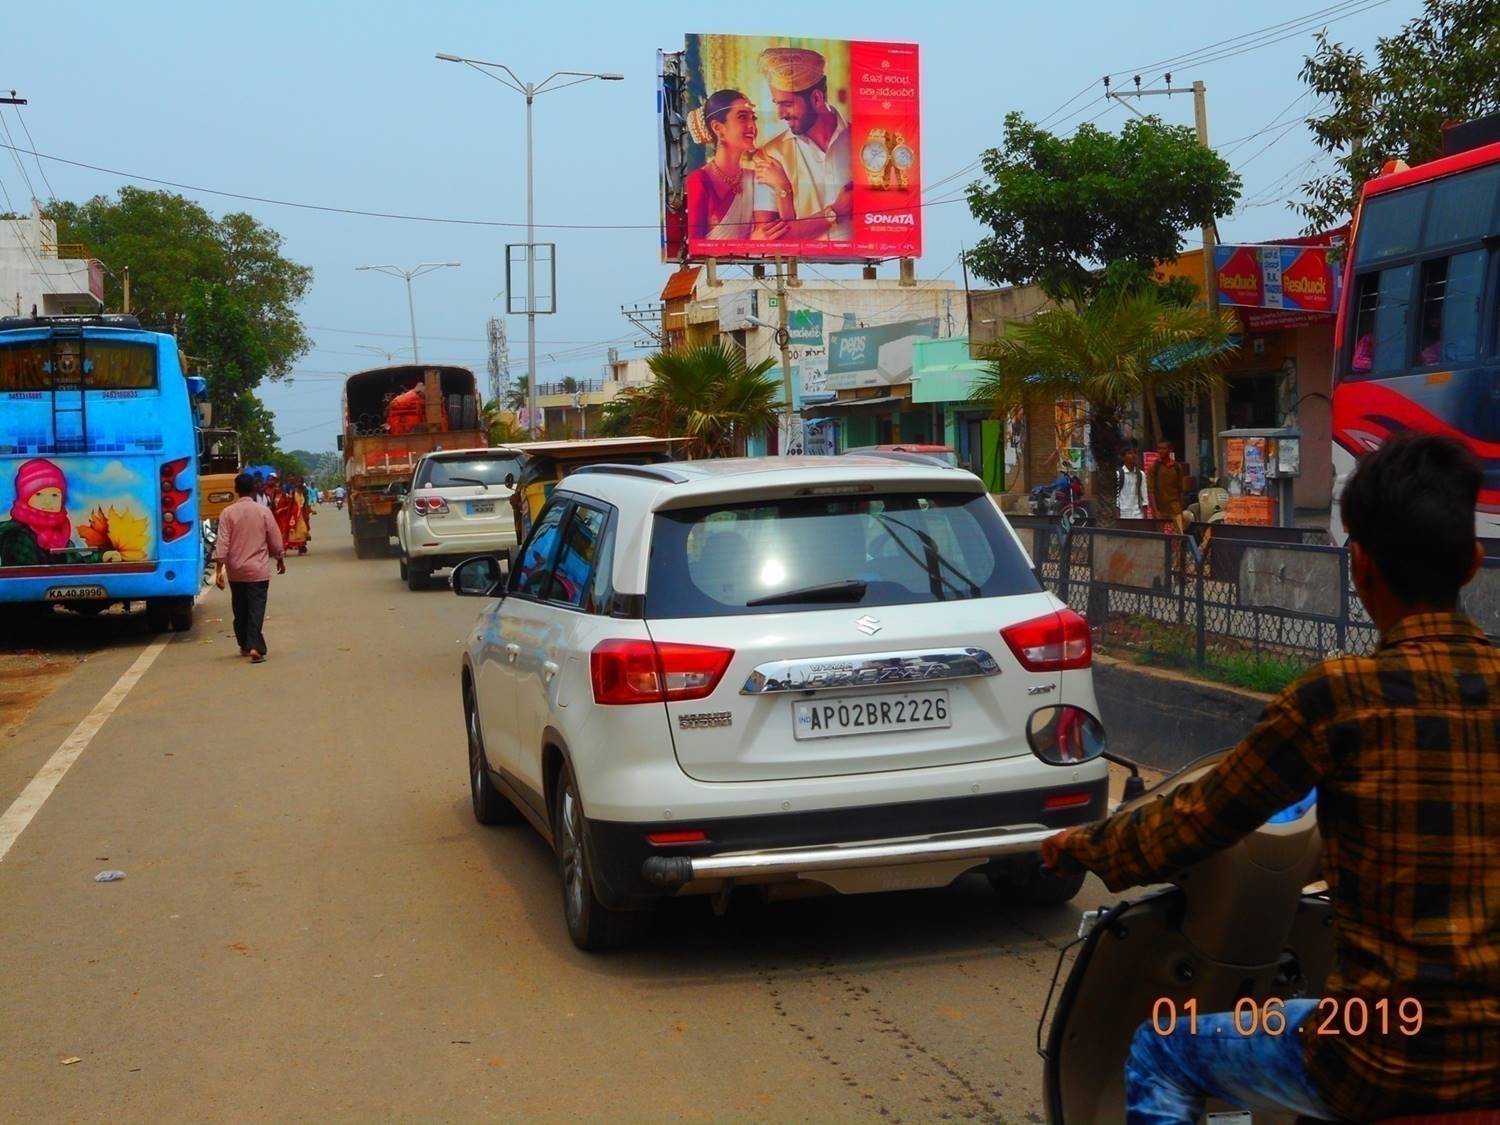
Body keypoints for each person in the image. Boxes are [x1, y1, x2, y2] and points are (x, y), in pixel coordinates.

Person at [1042, 434, 1500, 1121]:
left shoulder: (1338, 698)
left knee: (1162, 1049)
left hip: (1377, 1054)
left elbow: (1198, 817)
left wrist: (1084, 846)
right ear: (1470, 564)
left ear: (1360, 567)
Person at [757, 47, 853, 241]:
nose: (780, 115)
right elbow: (769, 239)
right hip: (801, 269)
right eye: (777, 104)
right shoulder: (771, 155)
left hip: (862, 261)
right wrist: (835, 212)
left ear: (817, 98)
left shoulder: (863, 143)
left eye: (787, 104)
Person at [685, 89, 795, 243]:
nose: (752, 126)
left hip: (755, 265)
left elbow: (784, 234)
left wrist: (783, 188)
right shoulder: (700, 180)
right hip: (713, 268)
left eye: (753, 118)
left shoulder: (757, 177)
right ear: (718, 128)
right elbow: (696, 248)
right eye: (742, 117)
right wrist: (749, 245)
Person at [213, 472, 286, 664]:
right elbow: (275, 539)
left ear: (236, 490)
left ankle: (245, 644)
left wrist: (218, 569)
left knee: (240, 608)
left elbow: (223, 543)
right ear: (254, 489)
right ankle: (255, 646)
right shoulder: (263, 511)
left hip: (236, 571)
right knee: (256, 608)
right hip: (258, 570)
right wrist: (280, 557)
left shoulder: (227, 513)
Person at [1149, 441, 1188, 523]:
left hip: (1175, 508)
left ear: (1170, 450)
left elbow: (1181, 489)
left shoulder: (1177, 467)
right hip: (1160, 508)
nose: (1161, 451)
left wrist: (1181, 509)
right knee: (1160, 535)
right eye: (1159, 449)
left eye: (1164, 448)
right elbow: (1151, 490)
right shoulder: (1154, 467)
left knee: (1179, 533)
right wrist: (1155, 510)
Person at [1116, 445, 1150, 519]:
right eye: (1129, 453)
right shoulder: (1118, 474)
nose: (1133, 455)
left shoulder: (1141, 474)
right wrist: (1117, 515)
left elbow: (1144, 496)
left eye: (1134, 453)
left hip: (1137, 514)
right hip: (1123, 514)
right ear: (1123, 457)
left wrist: (1145, 516)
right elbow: (1117, 497)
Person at [286, 483, 310, 556]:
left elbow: (304, 504)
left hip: (301, 515)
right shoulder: (293, 493)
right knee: (293, 532)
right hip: (294, 514)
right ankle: (287, 547)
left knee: (303, 530)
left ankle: (301, 548)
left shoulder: (302, 494)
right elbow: (290, 503)